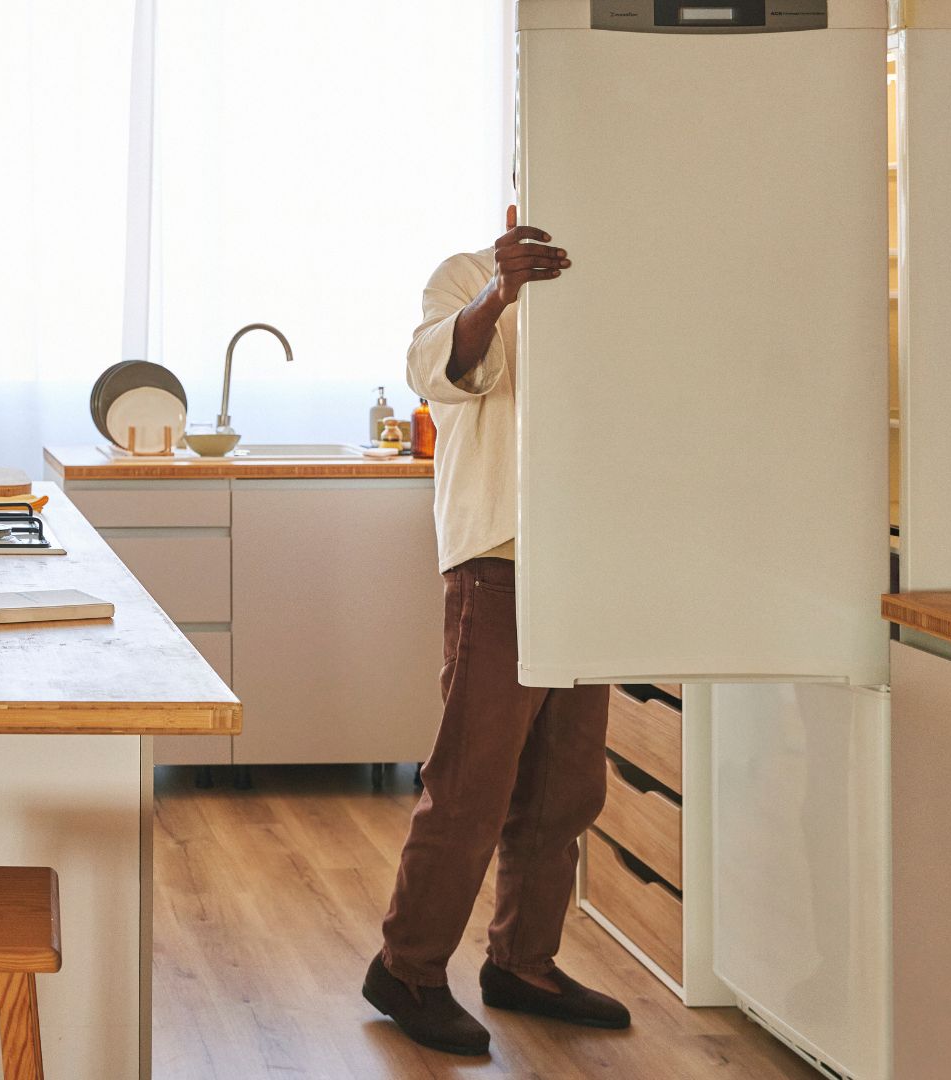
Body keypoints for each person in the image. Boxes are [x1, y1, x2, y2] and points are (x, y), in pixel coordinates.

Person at [361, 207, 629, 1056]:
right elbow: (431, 370)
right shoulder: (466, 273)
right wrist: (500, 290)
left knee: (568, 783)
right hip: (501, 561)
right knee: (474, 781)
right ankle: (406, 967)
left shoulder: (617, 287)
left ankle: (522, 962)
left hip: (590, 562)